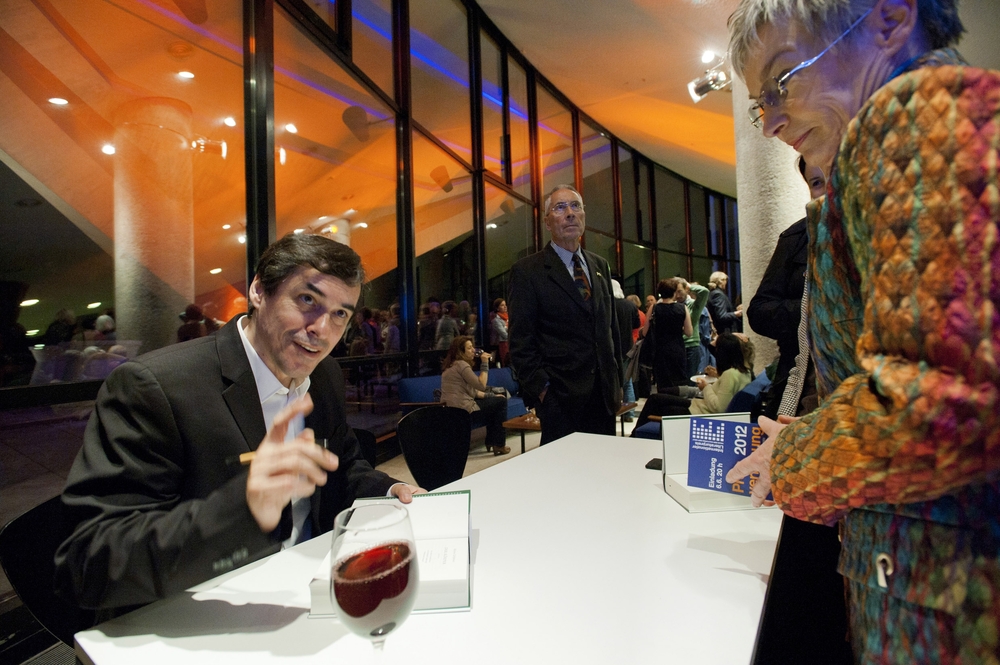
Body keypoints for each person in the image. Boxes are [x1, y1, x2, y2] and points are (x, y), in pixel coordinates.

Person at [726, 1, 1000, 663]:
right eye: (761, 103)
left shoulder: (913, 110)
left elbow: (936, 404)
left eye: (782, 80)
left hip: (950, 607)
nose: (772, 122)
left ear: (889, 19)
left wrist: (791, 459)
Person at [55, 233, 422, 611]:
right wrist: (242, 508)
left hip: (307, 595)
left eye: (340, 313)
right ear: (259, 291)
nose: (322, 329)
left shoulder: (324, 374)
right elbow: (89, 563)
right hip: (201, 612)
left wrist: (388, 490)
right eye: (307, 300)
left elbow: (341, 466)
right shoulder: (154, 387)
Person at [509, 184, 622, 445]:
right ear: (547, 222)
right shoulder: (527, 271)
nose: (570, 213)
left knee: (604, 464)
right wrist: (543, 391)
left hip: (603, 396)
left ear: (584, 215)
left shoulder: (600, 265)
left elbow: (611, 329)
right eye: (560, 207)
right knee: (564, 469)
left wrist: (616, 380)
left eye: (575, 206)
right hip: (560, 399)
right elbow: (520, 342)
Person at [747, 156, 825, 419]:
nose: (829, 189)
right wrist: (810, 310)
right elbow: (759, 311)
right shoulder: (797, 237)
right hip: (800, 388)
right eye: (817, 182)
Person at [631, 333, 754, 429]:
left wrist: (706, 387)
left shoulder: (730, 375)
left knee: (655, 402)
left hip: (701, 413)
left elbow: (719, 408)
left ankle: (636, 436)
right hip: (700, 407)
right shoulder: (744, 371)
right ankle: (636, 435)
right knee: (656, 399)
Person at [440, 336, 510, 456]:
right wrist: (485, 363)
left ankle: (492, 442)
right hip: (463, 410)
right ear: (460, 351)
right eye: (469, 348)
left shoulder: (451, 366)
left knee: (496, 402)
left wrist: (492, 396)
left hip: (451, 410)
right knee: (501, 403)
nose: (473, 350)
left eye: (473, 347)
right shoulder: (462, 365)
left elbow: (473, 392)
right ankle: (498, 444)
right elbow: (481, 385)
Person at [645, 277, 691, 390]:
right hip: (677, 349)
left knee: (662, 383)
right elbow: (689, 332)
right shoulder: (682, 308)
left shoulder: (654, 308)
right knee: (678, 382)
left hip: (659, 350)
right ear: (674, 292)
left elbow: (645, 331)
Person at [611, 280, 640, 420]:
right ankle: (629, 413)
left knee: (612, 381)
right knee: (627, 381)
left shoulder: (609, 305)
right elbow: (636, 324)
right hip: (628, 346)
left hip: (613, 347)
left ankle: (614, 410)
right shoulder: (630, 305)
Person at [676, 278, 711, 378]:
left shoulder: (693, 304)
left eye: (680, 291)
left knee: (690, 379)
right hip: (677, 346)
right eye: (675, 292)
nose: (678, 295)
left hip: (691, 346)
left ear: (686, 290)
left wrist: (689, 286)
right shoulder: (673, 305)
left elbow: (704, 292)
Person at [490, 298, 510, 366]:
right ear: (497, 308)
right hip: (503, 343)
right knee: (505, 361)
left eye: (505, 305)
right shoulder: (496, 320)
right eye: (502, 305)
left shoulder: (508, 317)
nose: (505, 307)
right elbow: (504, 334)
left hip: (510, 342)